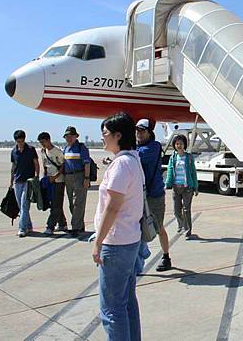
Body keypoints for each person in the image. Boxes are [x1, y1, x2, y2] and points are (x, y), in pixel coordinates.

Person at [93, 112, 142, 340]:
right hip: (130, 240)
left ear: (118, 135)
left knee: (111, 309)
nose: (102, 138)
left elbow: (112, 208)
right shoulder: (132, 159)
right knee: (127, 303)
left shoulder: (122, 164)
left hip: (116, 243)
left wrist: (98, 242)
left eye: (105, 134)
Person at [136, 118, 172, 271]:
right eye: (137, 130)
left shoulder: (154, 147)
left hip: (154, 195)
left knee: (158, 227)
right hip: (140, 195)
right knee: (136, 228)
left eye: (142, 131)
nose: (139, 134)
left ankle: (166, 257)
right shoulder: (137, 147)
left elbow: (138, 156)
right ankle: (139, 257)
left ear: (150, 133)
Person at [165, 134, 199, 238]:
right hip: (176, 187)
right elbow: (170, 171)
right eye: (177, 143)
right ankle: (181, 225)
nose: (179, 145)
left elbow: (193, 172)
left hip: (187, 188)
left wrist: (196, 187)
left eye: (181, 143)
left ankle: (188, 230)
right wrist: (167, 184)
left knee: (186, 210)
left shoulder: (188, 157)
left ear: (185, 144)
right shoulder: (173, 157)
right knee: (176, 211)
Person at [10, 130, 39, 237]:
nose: (20, 143)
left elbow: (36, 164)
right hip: (17, 181)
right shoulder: (14, 151)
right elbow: (13, 167)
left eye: (22, 141)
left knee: (24, 204)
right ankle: (29, 226)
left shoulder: (31, 150)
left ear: (24, 139)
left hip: (28, 181)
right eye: (18, 141)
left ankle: (22, 228)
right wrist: (11, 182)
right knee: (21, 206)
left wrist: (36, 177)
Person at [38, 132, 68, 235]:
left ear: (48, 140)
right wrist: (45, 179)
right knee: (55, 204)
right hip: (49, 182)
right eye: (40, 142)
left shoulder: (57, 152)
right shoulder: (43, 151)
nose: (42, 144)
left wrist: (55, 177)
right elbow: (45, 166)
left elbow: (63, 166)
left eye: (43, 142)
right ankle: (62, 223)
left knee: (56, 204)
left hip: (58, 181)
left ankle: (50, 226)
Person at [63, 126, 91, 237]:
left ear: (76, 136)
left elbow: (87, 163)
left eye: (71, 136)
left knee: (78, 203)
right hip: (68, 178)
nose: (69, 138)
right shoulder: (65, 149)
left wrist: (86, 178)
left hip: (79, 176)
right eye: (67, 136)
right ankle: (80, 225)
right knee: (71, 203)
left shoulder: (81, 148)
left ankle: (75, 227)